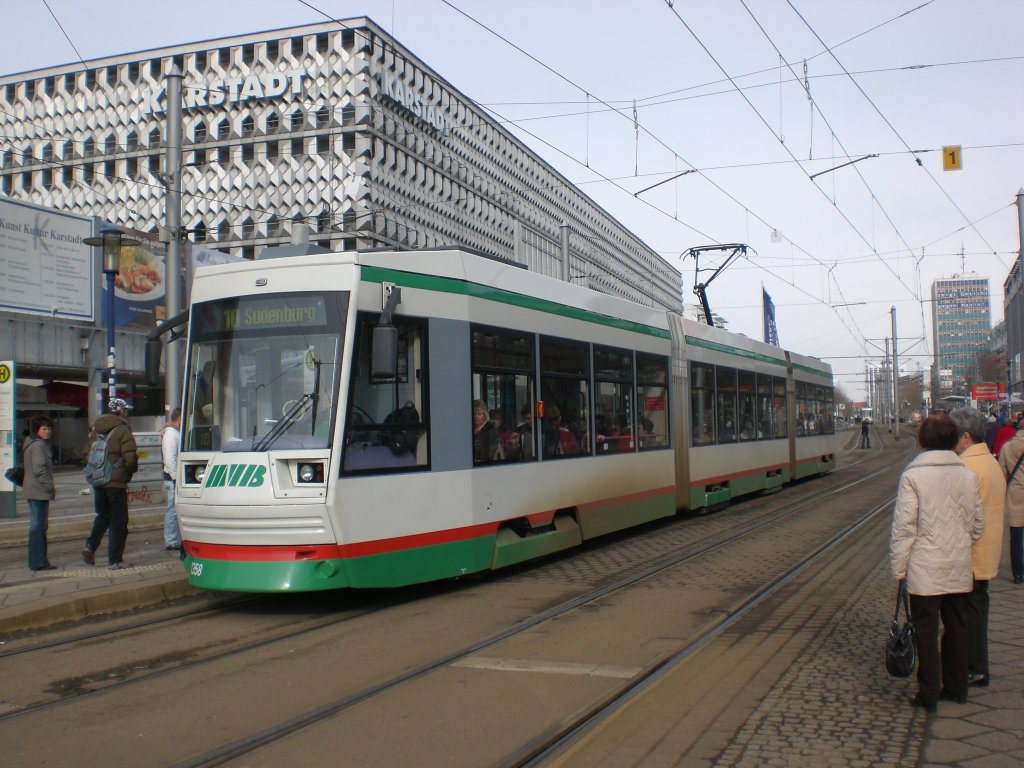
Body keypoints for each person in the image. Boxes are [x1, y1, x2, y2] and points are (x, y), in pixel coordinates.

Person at [890, 413, 984, 713]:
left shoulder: (913, 476)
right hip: (958, 565)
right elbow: (978, 525)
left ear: (923, 441)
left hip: (925, 569)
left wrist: (899, 569)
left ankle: (928, 694)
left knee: (926, 632)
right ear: (955, 439)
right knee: (958, 628)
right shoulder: (968, 475)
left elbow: (904, 528)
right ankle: (957, 689)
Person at [949, 408, 1005, 687]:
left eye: (954, 437)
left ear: (966, 437)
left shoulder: (968, 468)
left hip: (970, 555)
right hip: (986, 553)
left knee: (967, 615)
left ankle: (973, 667)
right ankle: (978, 666)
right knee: (978, 610)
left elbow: (963, 517)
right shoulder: (989, 462)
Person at [82, 397, 139, 570]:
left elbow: (86, 455)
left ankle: (90, 546)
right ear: (122, 412)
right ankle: (115, 560)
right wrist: (127, 473)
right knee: (119, 521)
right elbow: (130, 458)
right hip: (115, 483)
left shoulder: (96, 430)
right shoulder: (123, 430)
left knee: (103, 516)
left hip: (98, 482)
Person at [23, 415, 56, 571]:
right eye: (44, 429)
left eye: (49, 428)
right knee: (38, 526)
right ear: (37, 430)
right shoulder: (39, 446)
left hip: (33, 490)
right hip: (38, 491)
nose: (47, 432)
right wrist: (49, 487)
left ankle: (38, 560)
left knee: (38, 526)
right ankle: (38, 561)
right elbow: (39, 469)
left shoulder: (31, 443)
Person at [997, 418, 1024, 585]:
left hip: (1015, 494)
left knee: (1016, 536)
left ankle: (1018, 574)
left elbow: (1002, 473)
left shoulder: (1007, 447)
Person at [161, 407, 183, 553]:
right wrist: (176, 478)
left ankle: (174, 539)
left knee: (174, 510)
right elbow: (170, 459)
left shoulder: (174, 434)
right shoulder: (171, 435)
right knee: (173, 510)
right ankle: (171, 540)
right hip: (172, 479)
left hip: (173, 477)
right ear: (180, 418)